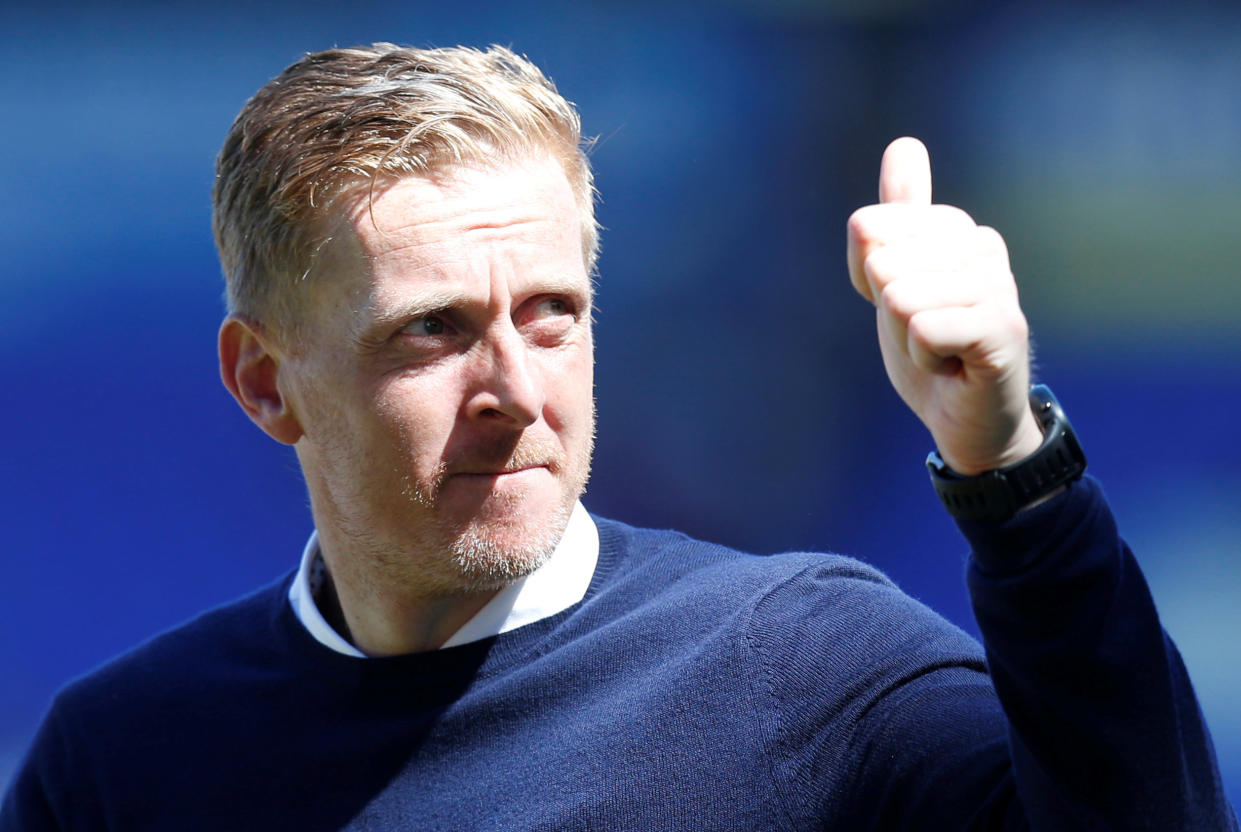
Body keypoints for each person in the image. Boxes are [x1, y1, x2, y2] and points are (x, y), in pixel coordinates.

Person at [1, 43, 1235, 831]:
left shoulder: (803, 670)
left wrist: (1011, 465)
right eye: (433, 330)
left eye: (553, 316)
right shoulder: (123, 762)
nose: (512, 387)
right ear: (265, 382)